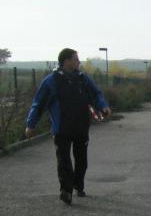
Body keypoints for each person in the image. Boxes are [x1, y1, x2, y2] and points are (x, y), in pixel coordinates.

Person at [24, 48, 112, 205]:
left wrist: (103, 106)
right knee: (63, 160)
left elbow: (96, 94)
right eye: (75, 59)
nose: (79, 62)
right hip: (61, 128)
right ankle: (66, 191)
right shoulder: (51, 81)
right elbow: (38, 104)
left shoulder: (83, 79)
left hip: (81, 125)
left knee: (81, 160)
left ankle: (78, 184)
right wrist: (31, 124)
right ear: (66, 61)